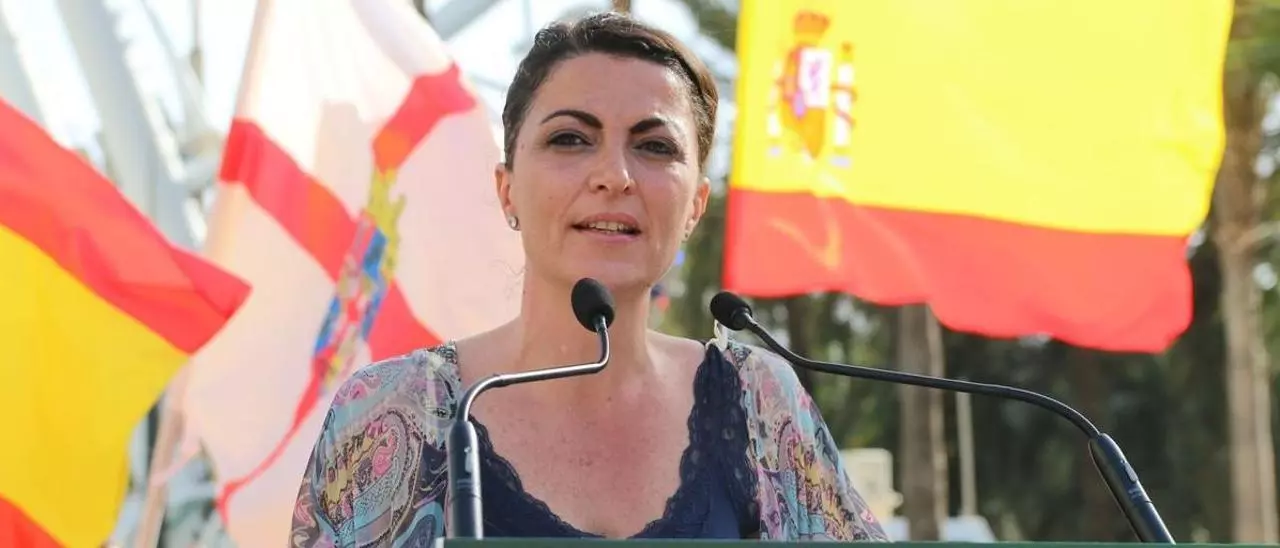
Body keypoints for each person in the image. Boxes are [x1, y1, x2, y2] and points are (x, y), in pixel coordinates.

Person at [289, 11, 888, 545]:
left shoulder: (757, 401)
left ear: (696, 207)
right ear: (507, 190)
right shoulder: (394, 410)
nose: (614, 176)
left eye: (655, 147)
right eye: (570, 139)